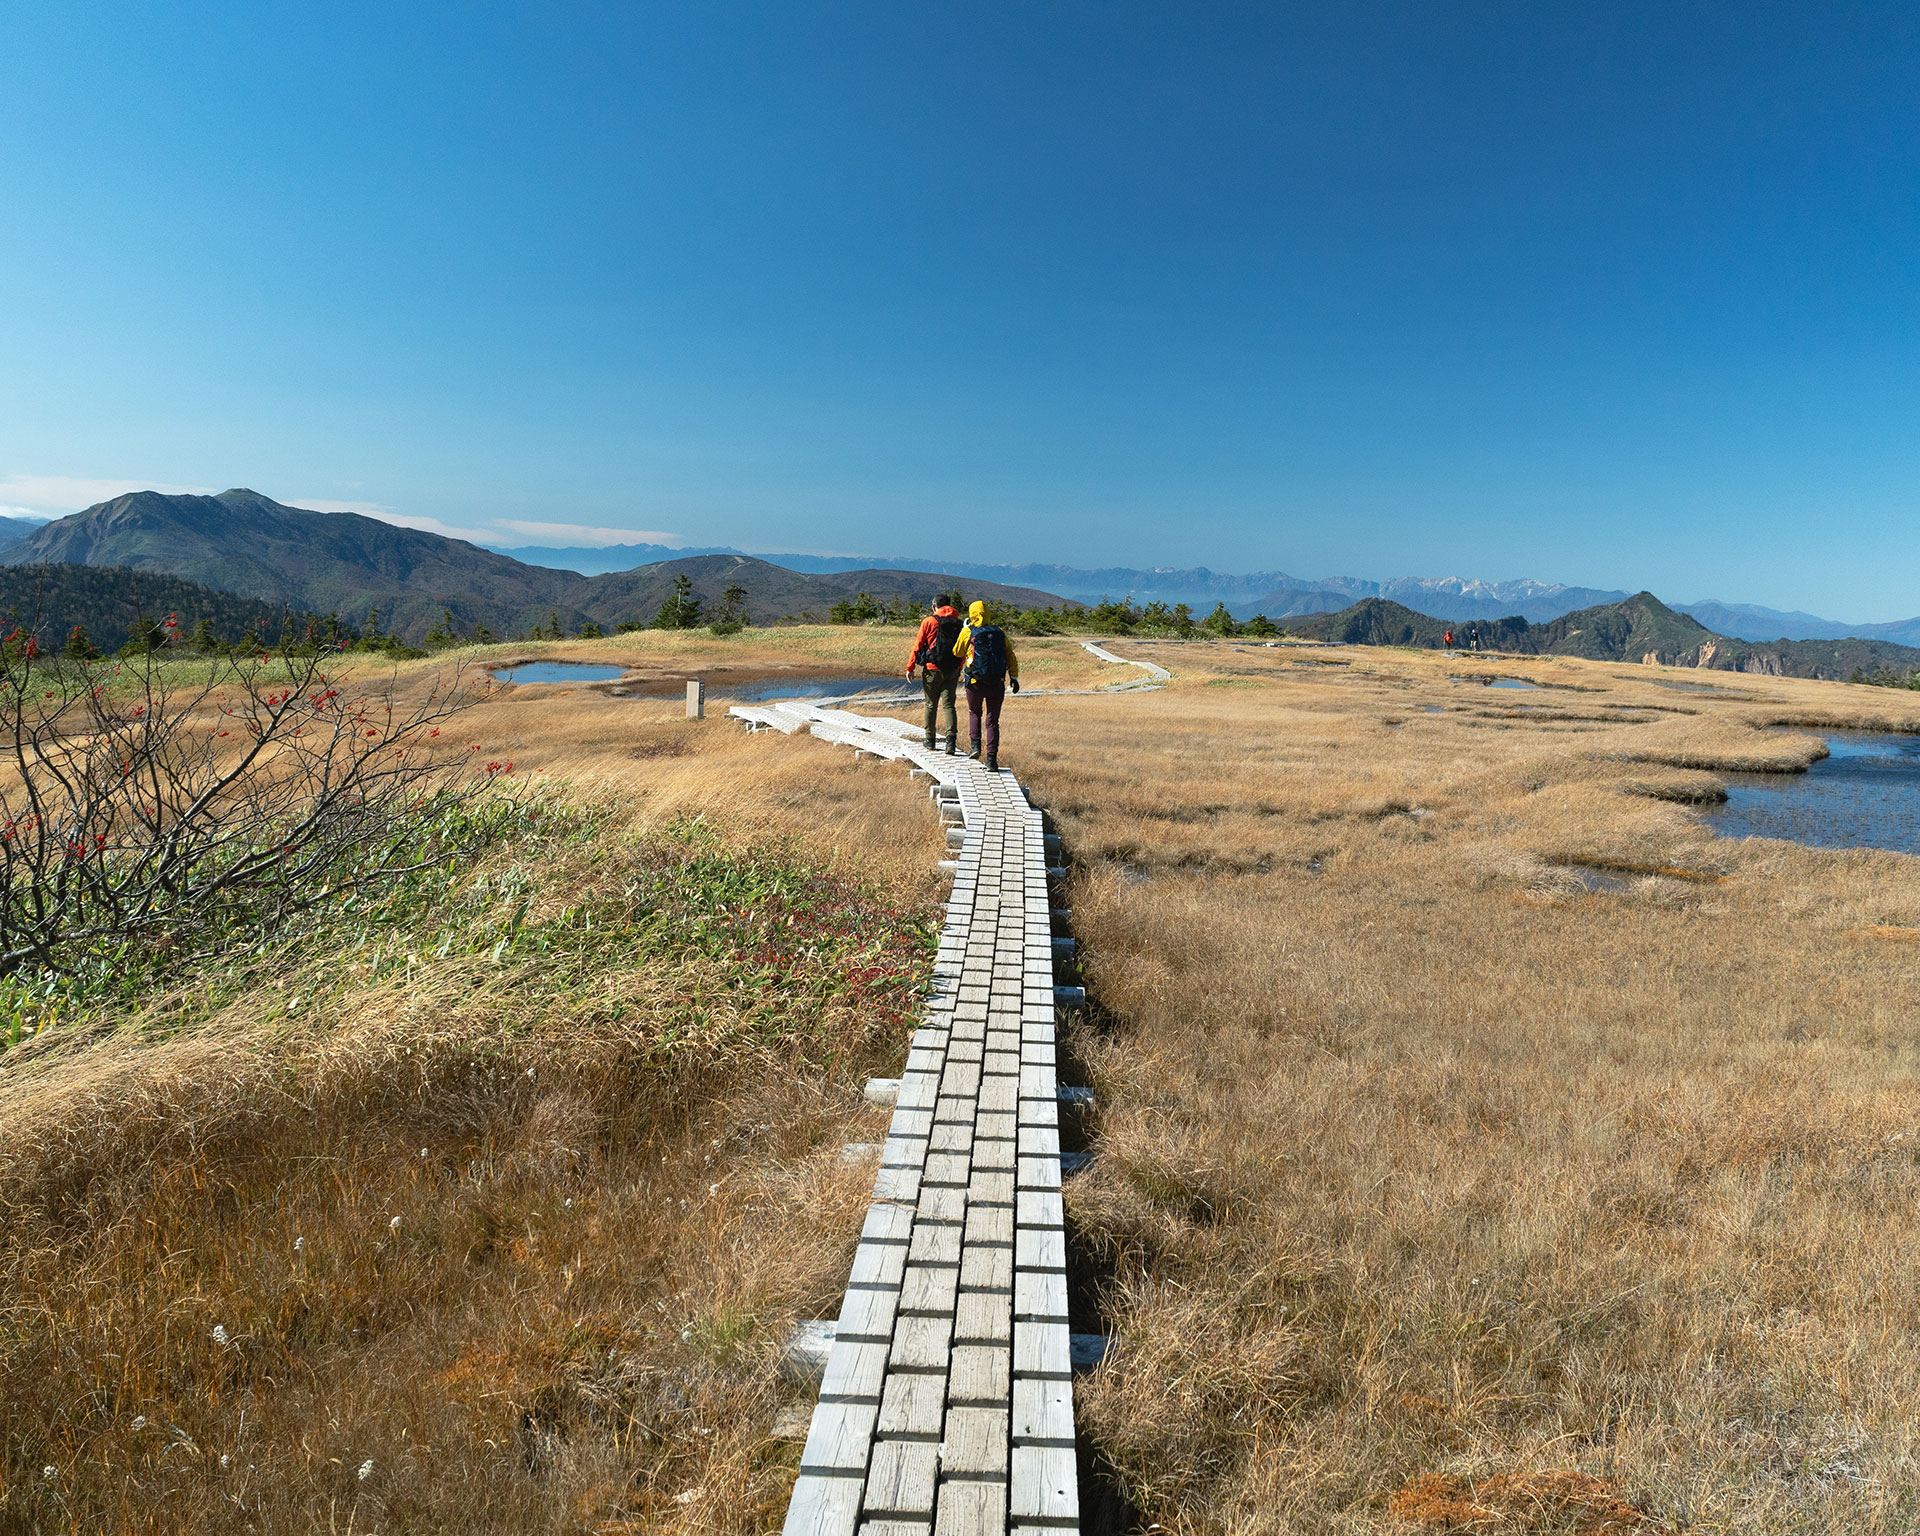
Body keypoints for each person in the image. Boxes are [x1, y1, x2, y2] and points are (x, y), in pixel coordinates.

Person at [952, 600, 1019, 771]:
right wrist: (1014, 677)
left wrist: (964, 631)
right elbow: (1010, 656)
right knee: (992, 722)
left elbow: (957, 652)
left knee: (974, 712)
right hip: (997, 683)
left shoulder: (968, 631)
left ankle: (975, 747)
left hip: (975, 682)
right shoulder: (1000, 632)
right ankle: (991, 760)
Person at [907, 593, 964, 752]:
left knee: (931, 705)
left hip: (932, 669)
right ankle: (951, 743)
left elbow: (917, 645)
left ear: (934, 607)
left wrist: (910, 667)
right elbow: (963, 649)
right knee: (949, 706)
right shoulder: (958, 624)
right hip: (952, 669)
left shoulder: (929, 621)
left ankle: (930, 740)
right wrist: (959, 667)